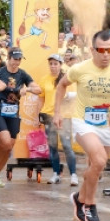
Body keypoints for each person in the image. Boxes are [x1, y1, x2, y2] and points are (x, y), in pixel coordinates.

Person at [53, 31, 110, 221]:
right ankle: (89, 203)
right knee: (99, 160)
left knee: (96, 167)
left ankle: (78, 198)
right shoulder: (80, 68)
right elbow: (62, 85)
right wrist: (57, 112)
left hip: (107, 125)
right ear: (92, 50)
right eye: (101, 50)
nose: (106, 54)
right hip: (83, 121)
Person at [0, 47, 40, 188]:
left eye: (19, 59)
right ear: (8, 58)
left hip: (13, 114)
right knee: (5, 142)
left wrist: (27, 89)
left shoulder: (22, 74)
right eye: (14, 59)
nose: (16, 62)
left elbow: (38, 89)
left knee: (9, 146)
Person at [38, 53, 77, 185]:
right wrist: (38, 115)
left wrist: (68, 98)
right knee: (52, 146)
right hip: (48, 116)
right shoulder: (44, 79)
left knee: (66, 146)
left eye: (56, 64)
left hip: (64, 116)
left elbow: (74, 95)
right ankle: (56, 173)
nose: (53, 66)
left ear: (61, 65)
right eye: (51, 64)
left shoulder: (67, 78)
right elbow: (41, 98)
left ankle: (73, 175)